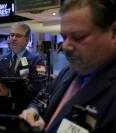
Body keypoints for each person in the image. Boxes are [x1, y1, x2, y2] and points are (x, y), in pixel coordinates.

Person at [20, 0, 116, 132]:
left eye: (79, 37)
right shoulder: (68, 72)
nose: (65, 46)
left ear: (113, 33)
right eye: (64, 37)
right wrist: (32, 109)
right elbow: (42, 97)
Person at [0, 23, 46, 114]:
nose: (14, 38)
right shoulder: (1, 59)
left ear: (26, 40)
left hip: (24, 112)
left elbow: (38, 86)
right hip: (2, 112)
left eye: (18, 36)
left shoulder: (38, 60)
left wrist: (10, 92)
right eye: (12, 35)